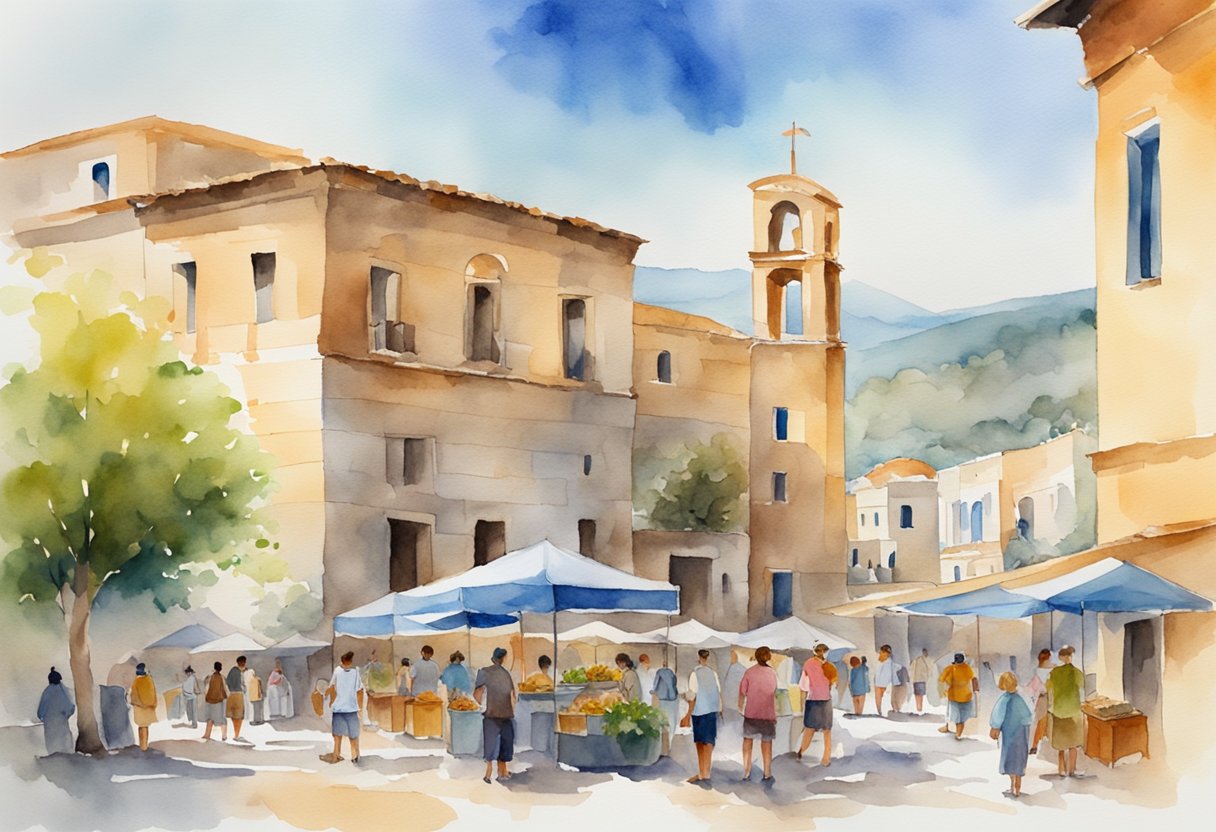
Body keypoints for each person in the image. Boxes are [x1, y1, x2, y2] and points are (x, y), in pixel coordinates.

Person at [474, 646, 516, 784]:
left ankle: (489, 772)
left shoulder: (484, 671)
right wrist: (511, 711)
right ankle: (502, 771)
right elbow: (512, 696)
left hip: (491, 713)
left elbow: (478, 693)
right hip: (505, 713)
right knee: (506, 742)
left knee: (490, 742)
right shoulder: (506, 674)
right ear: (503, 658)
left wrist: (480, 706)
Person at [990, 671, 1033, 797]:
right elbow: (1028, 716)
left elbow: (997, 717)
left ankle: (1012, 784)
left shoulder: (1004, 699)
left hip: (1009, 732)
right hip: (1022, 732)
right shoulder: (1020, 699)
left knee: (1010, 757)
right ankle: (1017, 787)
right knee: (1019, 757)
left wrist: (995, 727)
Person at [738, 646, 778, 783]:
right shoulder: (772, 673)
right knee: (766, 743)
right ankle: (767, 773)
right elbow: (773, 692)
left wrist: (740, 707)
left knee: (747, 742)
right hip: (767, 713)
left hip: (751, 713)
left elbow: (742, 691)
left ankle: (746, 771)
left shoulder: (749, 672)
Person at [1046, 645, 1085, 777]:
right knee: (1073, 744)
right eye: (1068, 655)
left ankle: (1061, 769)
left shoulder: (1054, 673)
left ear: (1060, 657)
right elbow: (1082, 686)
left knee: (1061, 744)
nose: (1068, 657)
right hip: (1073, 711)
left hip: (1059, 711)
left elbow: (1049, 689)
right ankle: (1071, 770)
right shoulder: (1076, 672)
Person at [796, 643, 837, 767]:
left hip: (812, 699)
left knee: (809, 729)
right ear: (826, 652)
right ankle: (826, 758)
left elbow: (803, 685)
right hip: (826, 700)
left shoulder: (808, 663)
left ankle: (801, 751)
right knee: (827, 730)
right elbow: (834, 685)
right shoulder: (830, 666)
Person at [685, 649, 722, 785]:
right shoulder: (713, 674)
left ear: (699, 658)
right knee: (709, 743)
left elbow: (692, 696)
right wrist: (720, 709)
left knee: (700, 743)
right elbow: (718, 693)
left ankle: (702, 773)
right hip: (712, 711)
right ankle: (706, 773)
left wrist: (687, 714)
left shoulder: (695, 674)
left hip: (699, 711)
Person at [321, 651, 364, 763]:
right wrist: (360, 708)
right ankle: (354, 755)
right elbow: (359, 690)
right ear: (350, 662)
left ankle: (336, 754)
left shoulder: (337, 671)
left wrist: (329, 699)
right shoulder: (355, 673)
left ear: (342, 661)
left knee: (337, 734)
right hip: (351, 708)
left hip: (339, 708)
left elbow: (331, 686)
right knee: (353, 734)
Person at [938, 653, 978, 739]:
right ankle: (958, 734)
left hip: (954, 696)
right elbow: (972, 677)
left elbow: (941, 679)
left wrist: (943, 689)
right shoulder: (967, 668)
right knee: (962, 717)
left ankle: (949, 728)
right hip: (966, 696)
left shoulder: (951, 668)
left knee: (952, 714)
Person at [37, 667, 75, 755]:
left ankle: (53, 755)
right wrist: (66, 714)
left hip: (49, 720)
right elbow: (71, 707)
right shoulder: (62, 691)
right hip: (61, 720)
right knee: (62, 738)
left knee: (52, 739)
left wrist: (41, 716)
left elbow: (41, 710)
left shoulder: (46, 692)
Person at [1026, 648, 1054, 754]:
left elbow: (1030, 690)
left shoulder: (1038, 671)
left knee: (1041, 722)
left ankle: (1036, 745)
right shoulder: (1050, 671)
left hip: (1042, 699)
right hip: (1045, 699)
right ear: (1047, 658)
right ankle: (1036, 745)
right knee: (1043, 722)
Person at [651, 659, 680, 757]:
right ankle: (670, 746)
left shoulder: (659, 672)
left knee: (661, 724)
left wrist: (654, 691)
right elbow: (674, 685)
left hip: (662, 699)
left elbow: (655, 685)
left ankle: (661, 749)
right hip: (672, 700)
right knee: (672, 723)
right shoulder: (672, 674)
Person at [129, 662, 158, 751]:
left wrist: (135, 702)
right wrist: (153, 704)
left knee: (142, 727)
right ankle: (144, 745)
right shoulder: (149, 679)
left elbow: (133, 695)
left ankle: (143, 746)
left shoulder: (136, 681)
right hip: (149, 707)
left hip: (140, 708)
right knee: (145, 726)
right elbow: (153, 692)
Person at [202, 661, 229, 741]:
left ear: (214, 667)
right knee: (221, 718)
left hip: (210, 700)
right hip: (220, 701)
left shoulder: (209, 677)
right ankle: (224, 736)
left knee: (210, 717)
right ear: (221, 668)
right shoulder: (223, 677)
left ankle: (207, 735)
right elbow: (226, 689)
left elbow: (206, 688)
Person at [874, 645, 904, 716]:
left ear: (887, 653)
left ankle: (883, 712)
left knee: (884, 697)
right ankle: (879, 711)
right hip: (879, 683)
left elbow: (891, 673)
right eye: (880, 652)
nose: (880, 653)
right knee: (878, 698)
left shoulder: (889, 662)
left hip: (885, 683)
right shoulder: (881, 661)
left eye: (882, 652)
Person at [910, 648, 935, 714]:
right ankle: (919, 708)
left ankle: (919, 708)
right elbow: (930, 668)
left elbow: (912, 668)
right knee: (919, 694)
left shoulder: (918, 659)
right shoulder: (924, 659)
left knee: (918, 694)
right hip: (920, 679)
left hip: (918, 679)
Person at [722, 650, 746, 715]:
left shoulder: (740, 668)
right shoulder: (731, 667)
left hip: (735, 701)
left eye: (730, 657)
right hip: (730, 702)